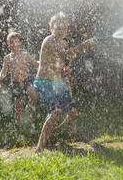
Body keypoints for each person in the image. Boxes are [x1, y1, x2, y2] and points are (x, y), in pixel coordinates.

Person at [34, 12, 94, 152]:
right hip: (44, 82)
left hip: (57, 82)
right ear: (51, 27)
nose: (61, 31)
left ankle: (64, 130)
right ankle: (39, 149)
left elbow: (60, 60)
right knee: (56, 112)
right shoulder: (49, 40)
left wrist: (64, 69)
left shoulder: (63, 42)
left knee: (72, 112)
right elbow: (64, 54)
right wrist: (84, 45)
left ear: (67, 30)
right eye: (58, 28)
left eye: (64, 28)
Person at [0, 32, 39, 130]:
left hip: (26, 81)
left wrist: (43, 62)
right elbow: (4, 71)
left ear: (20, 43)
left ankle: (29, 103)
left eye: (16, 42)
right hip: (15, 84)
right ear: (8, 44)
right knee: (17, 107)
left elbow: (35, 63)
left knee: (33, 95)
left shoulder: (25, 55)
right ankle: (18, 126)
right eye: (11, 42)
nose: (14, 44)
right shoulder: (7, 58)